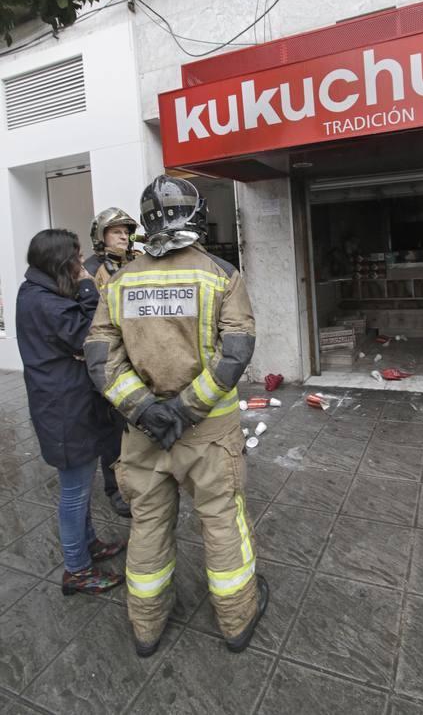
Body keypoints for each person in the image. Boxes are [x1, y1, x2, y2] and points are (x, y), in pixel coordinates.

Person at [84, 175, 268, 658]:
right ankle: (237, 620)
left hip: (144, 436)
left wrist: (145, 409)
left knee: (146, 525)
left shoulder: (120, 281)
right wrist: (184, 410)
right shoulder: (221, 275)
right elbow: (235, 353)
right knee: (222, 522)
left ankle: (145, 628)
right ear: (197, 214)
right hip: (207, 434)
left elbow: (102, 359)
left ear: (146, 222)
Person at [15, 229, 125, 596]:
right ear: (61, 262)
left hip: (64, 404)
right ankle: (76, 570)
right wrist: (89, 286)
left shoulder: (36, 291)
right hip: (64, 410)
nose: (82, 264)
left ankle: (88, 545)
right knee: (75, 492)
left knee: (79, 486)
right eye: (77, 259)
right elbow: (89, 335)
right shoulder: (47, 302)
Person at [84, 208, 140, 518]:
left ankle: (143, 481)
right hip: (111, 357)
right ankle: (115, 489)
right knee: (113, 432)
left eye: (126, 231)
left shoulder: (138, 262)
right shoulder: (89, 269)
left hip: (139, 353)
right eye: (116, 231)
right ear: (101, 235)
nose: (123, 236)